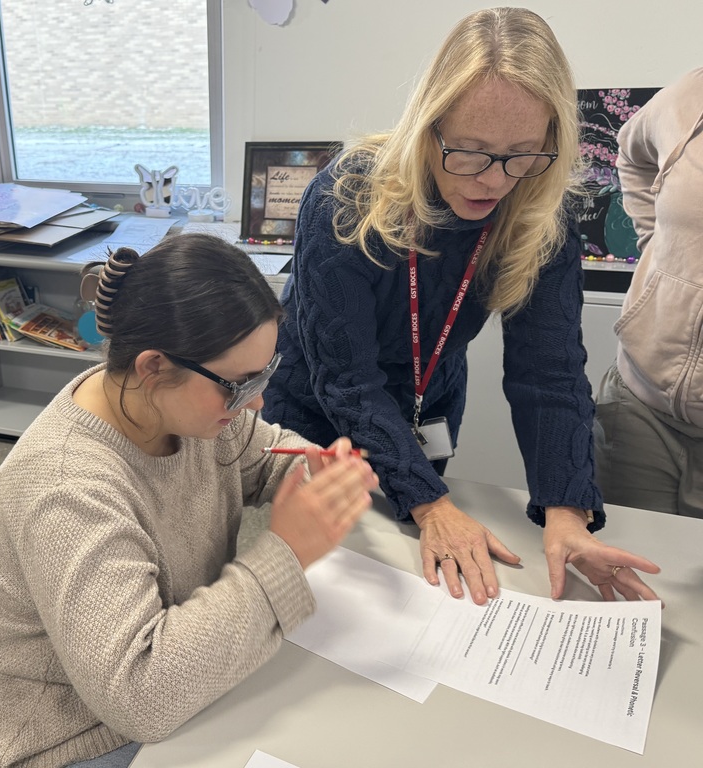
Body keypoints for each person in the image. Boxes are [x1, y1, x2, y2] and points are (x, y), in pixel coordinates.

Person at [262, 7, 661, 607]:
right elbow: (345, 378)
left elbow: (547, 371)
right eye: (470, 151)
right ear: (428, 126)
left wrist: (566, 510)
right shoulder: (344, 200)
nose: (494, 180)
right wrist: (430, 504)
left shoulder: (538, 215)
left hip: (428, 408)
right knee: (322, 597)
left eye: (522, 153)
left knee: (420, 584)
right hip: (314, 413)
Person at [0, 233, 379, 768]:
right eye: (238, 383)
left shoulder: (192, 413)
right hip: (78, 736)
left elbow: (268, 457)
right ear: (154, 367)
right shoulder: (66, 487)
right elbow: (142, 697)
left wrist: (318, 472)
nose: (257, 401)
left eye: (263, 375)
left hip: (174, 678)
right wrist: (287, 553)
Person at [594, 67, 703, 516]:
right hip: (640, 406)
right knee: (623, 572)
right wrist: (653, 242)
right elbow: (630, 150)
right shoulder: (692, 93)